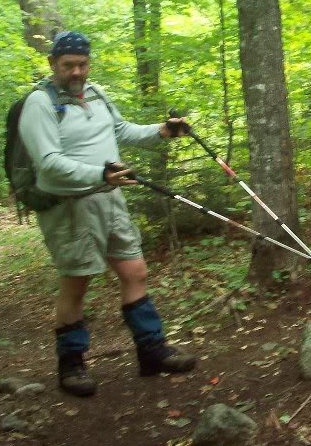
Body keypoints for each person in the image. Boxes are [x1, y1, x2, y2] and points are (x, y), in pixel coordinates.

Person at [18, 31, 195, 397]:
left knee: (135, 271)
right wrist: (99, 173)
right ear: (53, 64)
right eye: (69, 65)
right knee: (77, 282)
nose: (77, 72)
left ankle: (152, 351)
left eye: (82, 64)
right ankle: (71, 365)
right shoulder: (39, 103)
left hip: (109, 197)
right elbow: (48, 165)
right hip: (71, 206)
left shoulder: (96, 94)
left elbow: (120, 130)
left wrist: (162, 132)